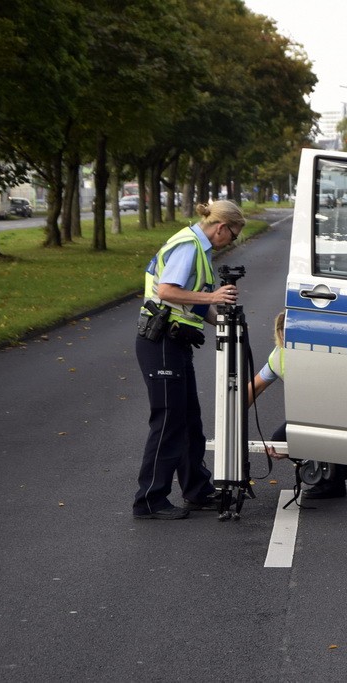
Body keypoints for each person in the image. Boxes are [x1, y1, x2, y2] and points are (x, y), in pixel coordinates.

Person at [133, 200, 245, 520]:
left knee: (189, 421)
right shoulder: (189, 247)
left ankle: (197, 490)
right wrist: (214, 297)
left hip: (177, 342)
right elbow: (168, 291)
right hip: (162, 342)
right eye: (234, 235)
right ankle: (150, 500)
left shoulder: (200, 248)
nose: (232, 241)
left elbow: (193, 303)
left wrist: (222, 321)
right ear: (221, 227)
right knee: (168, 421)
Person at [247, 311, 347, 498]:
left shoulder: (319, 349)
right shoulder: (278, 356)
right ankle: (338, 470)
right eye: (283, 332)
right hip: (313, 411)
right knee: (281, 440)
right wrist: (233, 417)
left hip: (342, 407)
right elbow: (254, 388)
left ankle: (334, 477)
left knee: (315, 430)